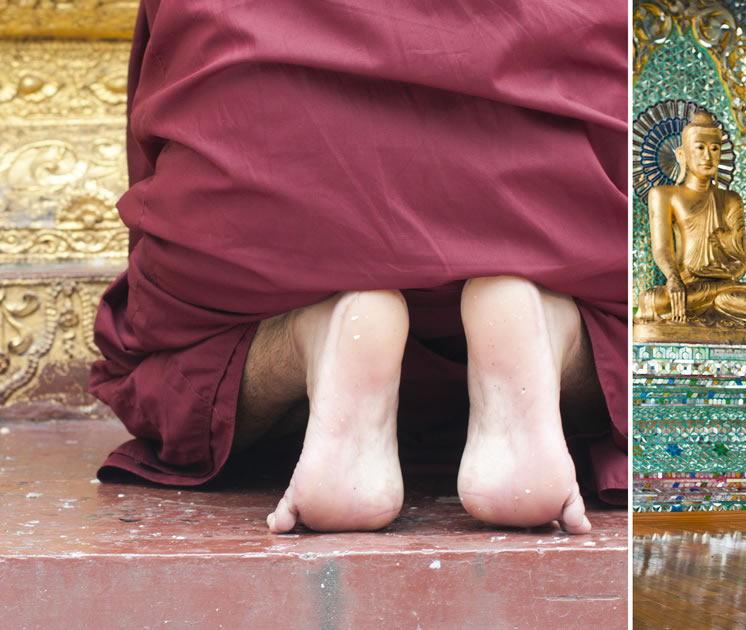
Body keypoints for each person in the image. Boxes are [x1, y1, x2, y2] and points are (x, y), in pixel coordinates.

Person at [89, 1, 628, 534]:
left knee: (174, 360)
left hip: (271, 190)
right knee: (661, 330)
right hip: (554, 203)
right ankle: (541, 324)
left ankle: (322, 331)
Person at [635, 111, 746, 327]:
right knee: (651, 300)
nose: (708, 156)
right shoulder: (664, 195)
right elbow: (662, 248)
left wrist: (726, 252)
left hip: (725, 287)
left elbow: (741, 261)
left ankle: (717, 307)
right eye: (700, 148)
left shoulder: (731, 200)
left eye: (714, 149)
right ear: (682, 154)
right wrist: (674, 279)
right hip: (687, 288)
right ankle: (720, 310)